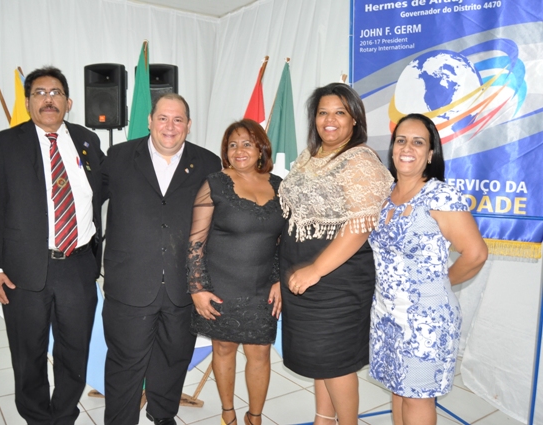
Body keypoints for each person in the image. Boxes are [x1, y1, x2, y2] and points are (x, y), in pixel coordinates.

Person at [0, 66, 105, 424]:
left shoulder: (86, 140)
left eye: (55, 93)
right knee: (28, 351)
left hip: (78, 265)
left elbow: (105, 189)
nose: (48, 99)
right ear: (28, 102)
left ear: (68, 102)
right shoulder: (7, 143)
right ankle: (36, 417)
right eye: (39, 93)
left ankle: (64, 414)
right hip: (23, 269)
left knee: (75, 349)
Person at [101, 93, 221, 425]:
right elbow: (87, 204)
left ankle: (162, 415)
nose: (170, 126)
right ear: (150, 121)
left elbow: (219, 222)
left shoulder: (208, 163)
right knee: (125, 365)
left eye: (178, 119)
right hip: (130, 284)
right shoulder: (118, 157)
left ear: (189, 125)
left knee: (173, 361)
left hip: (184, 288)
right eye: (163, 118)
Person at [278, 83, 393, 425]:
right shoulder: (310, 156)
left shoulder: (359, 160)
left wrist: (316, 269)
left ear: (354, 119)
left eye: (340, 112)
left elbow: (360, 226)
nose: (330, 120)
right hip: (304, 276)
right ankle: (323, 420)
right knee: (321, 360)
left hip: (337, 280)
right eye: (323, 112)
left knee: (336, 361)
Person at [368, 113, 488, 425]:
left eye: (418, 142)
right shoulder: (385, 194)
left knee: (416, 397)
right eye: (401, 140)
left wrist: (440, 283)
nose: (407, 148)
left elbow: (475, 254)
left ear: (430, 154)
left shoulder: (440, 195)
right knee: (398, 390)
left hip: (426, 321)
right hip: (386, 314)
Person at [187, 120, 285, 425]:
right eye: (232, 145)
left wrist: (279, 280)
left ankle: (254, 417)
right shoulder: (214, 183)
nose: (239, 150)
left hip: (263, 288)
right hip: (221, 286)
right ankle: (227, 414)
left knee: (260, 353)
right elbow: (196, 241)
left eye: (247, 143)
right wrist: (197, 288)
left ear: (261, 148)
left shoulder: (280, 185)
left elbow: (283, 241)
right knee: (224, 348)